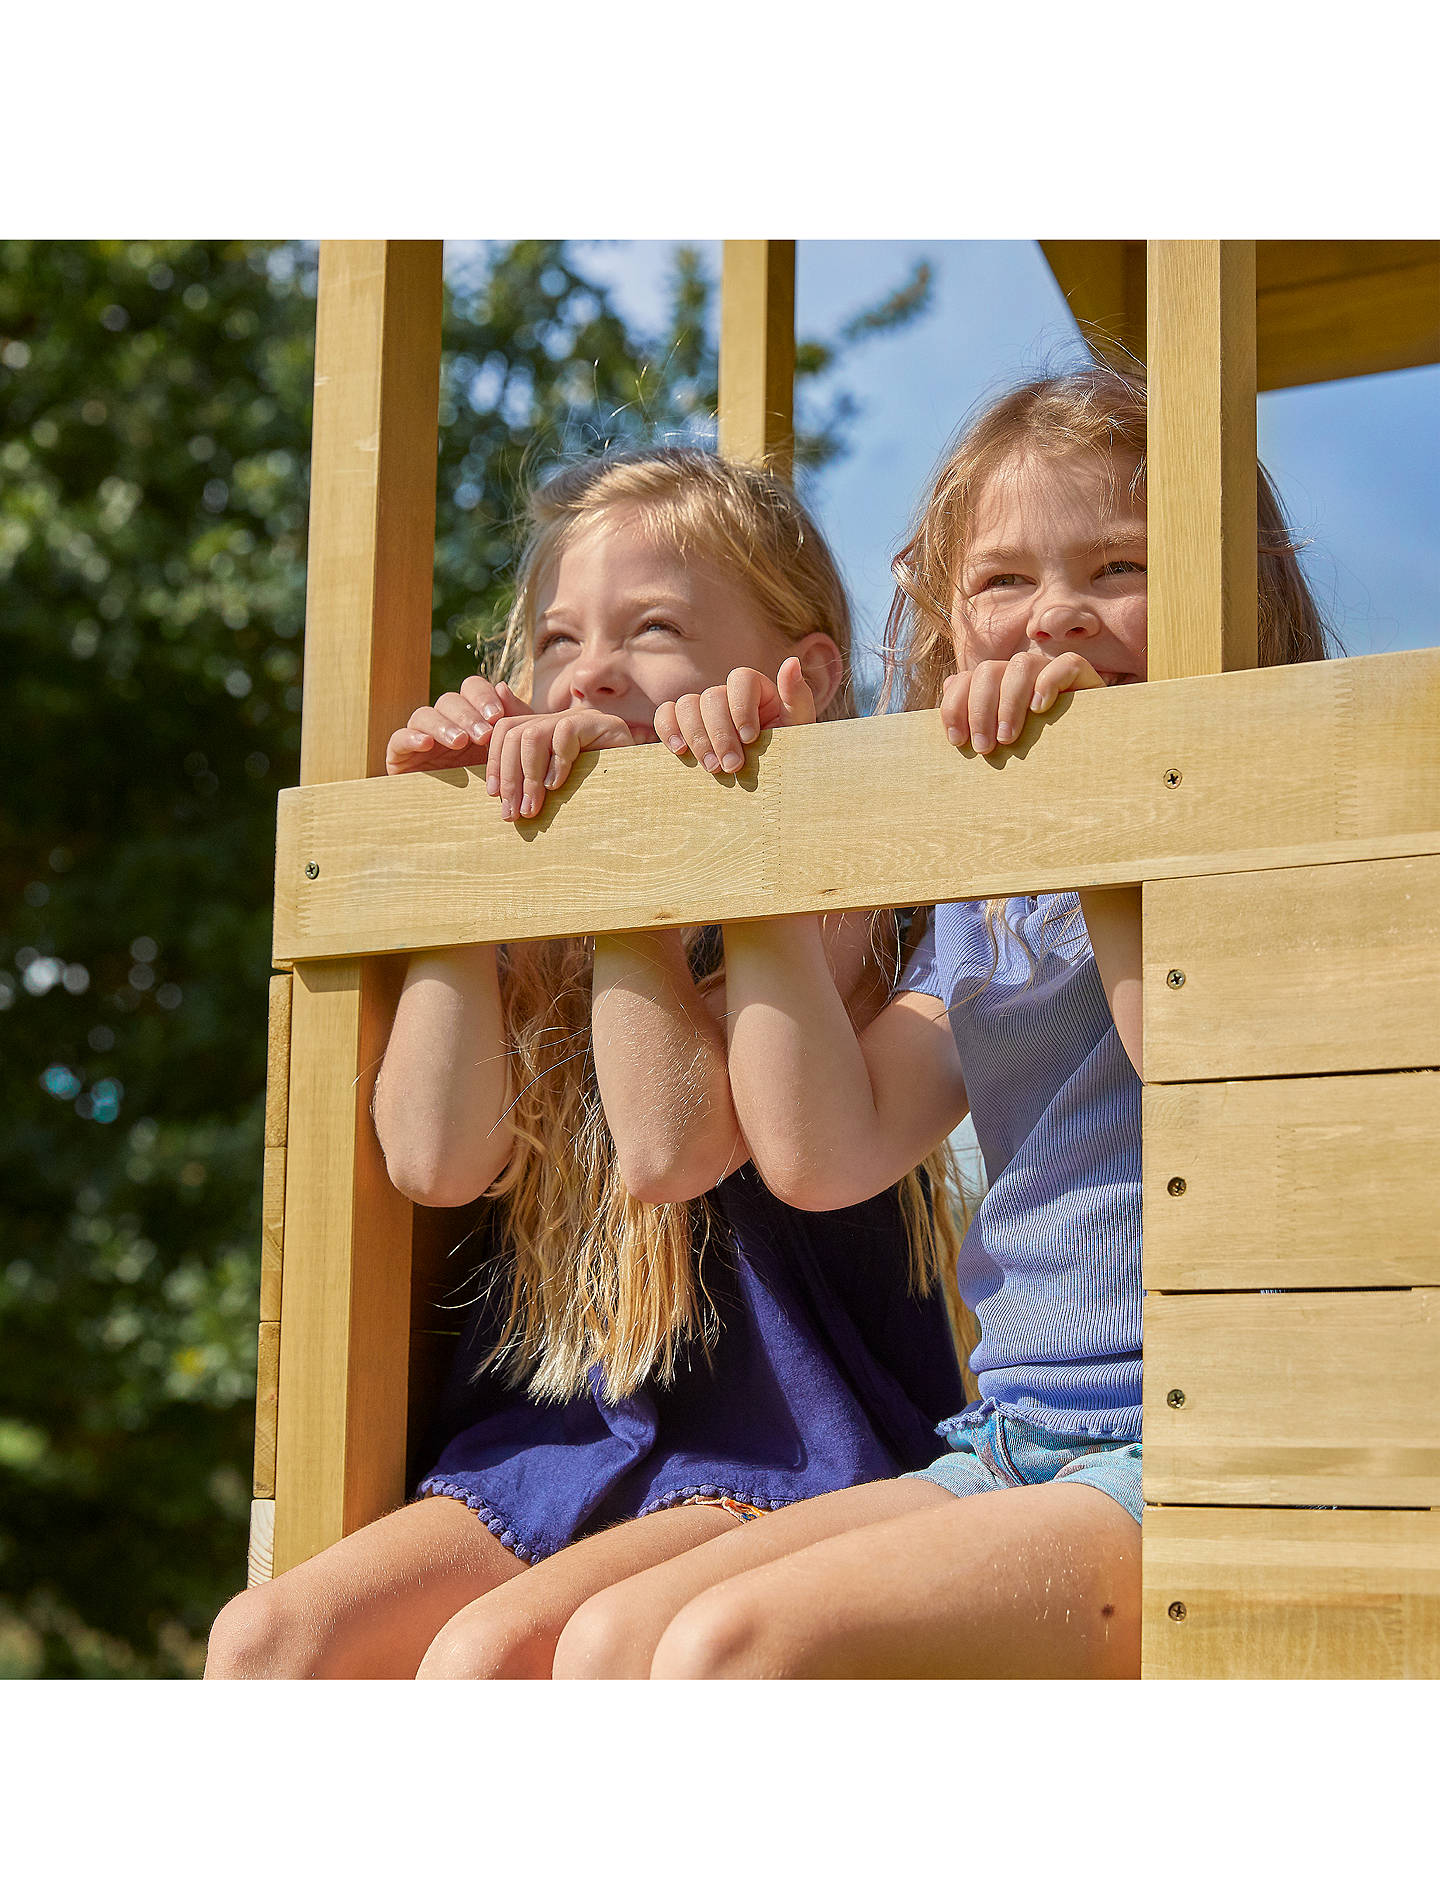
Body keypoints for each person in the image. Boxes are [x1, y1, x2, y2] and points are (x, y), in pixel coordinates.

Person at [539, 366, 1334, 1680]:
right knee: (616, 1644)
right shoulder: (996, 909)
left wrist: (1104, 804)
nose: (1057, 616)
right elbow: (825, 1152)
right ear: (949, 633)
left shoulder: (1277, 837)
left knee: (729, 1652)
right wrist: (762, 841)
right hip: (1014, 1438)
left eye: (1119, 567)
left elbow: (1197, 1076)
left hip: (1199, 1447)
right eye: (1004, 584)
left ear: (1228, 593)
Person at [204, 448, 966, 1679]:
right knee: (269, 1641)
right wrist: (463, 856)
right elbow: (436, 1157)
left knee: (493, 1663)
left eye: (653, 629)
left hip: (786, 1442)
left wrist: (635, 860)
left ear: (806, 677)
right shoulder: (543, 934)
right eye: (557, 642)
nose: (593, 671)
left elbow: (672, 1149)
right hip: (559, 1442)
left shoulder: (837, 916)